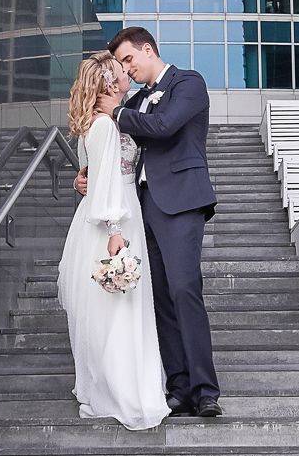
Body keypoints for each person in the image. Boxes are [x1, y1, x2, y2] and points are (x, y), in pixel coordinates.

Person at [94, 27, 221, 419]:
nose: (127, 70)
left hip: (182, 201)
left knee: (184, 290)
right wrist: (86, 175)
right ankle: (178, 387)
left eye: (129, 59)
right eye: (122, 64)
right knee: (161, 299)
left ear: (148, 49)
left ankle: (205, 390)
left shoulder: (189, 83)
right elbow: (116, 147)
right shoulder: (137, 100)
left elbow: (164, 126)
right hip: (145, 204)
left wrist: (116, 112)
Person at [58, 51, 169, 430]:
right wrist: (114, 230)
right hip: (115, 219)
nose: (128, 73)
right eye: (122, 70)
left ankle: (111, 386)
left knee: (112, 310)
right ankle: (123, 391)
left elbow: (89, 174)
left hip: (112, 213)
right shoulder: (105, 125)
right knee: (120, 310)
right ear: (109, 81)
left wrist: (82, 182)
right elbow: (103, 180)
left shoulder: (98, 122)